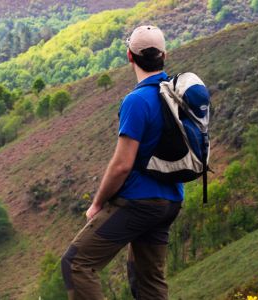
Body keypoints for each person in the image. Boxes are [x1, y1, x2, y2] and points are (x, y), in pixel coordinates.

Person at [60, 26, 183, 300]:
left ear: (130, 56)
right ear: (164, 54)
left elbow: (122, 165)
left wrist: (97, 203)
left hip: (140, 202)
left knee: (76, 263)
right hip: (171, 200)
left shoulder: (137, 101)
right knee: (148, 281)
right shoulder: (178, 94)